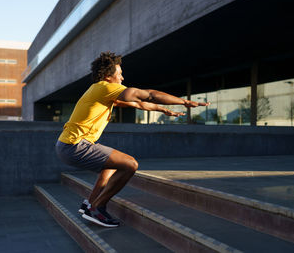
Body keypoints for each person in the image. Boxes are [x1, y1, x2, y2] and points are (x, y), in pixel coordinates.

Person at [55, 52, 209, 227]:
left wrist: (163, 110)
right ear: (108, 76)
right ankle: (97, 208)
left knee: (110, 168)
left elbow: (139, 103)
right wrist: (183, 102)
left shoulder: (99, 91)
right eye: (119, 74)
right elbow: (148, 95)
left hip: (69, 145)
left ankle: (89, 204)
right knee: (130, 164)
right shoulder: (105, 88)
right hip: (75, 146)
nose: (122, 77)